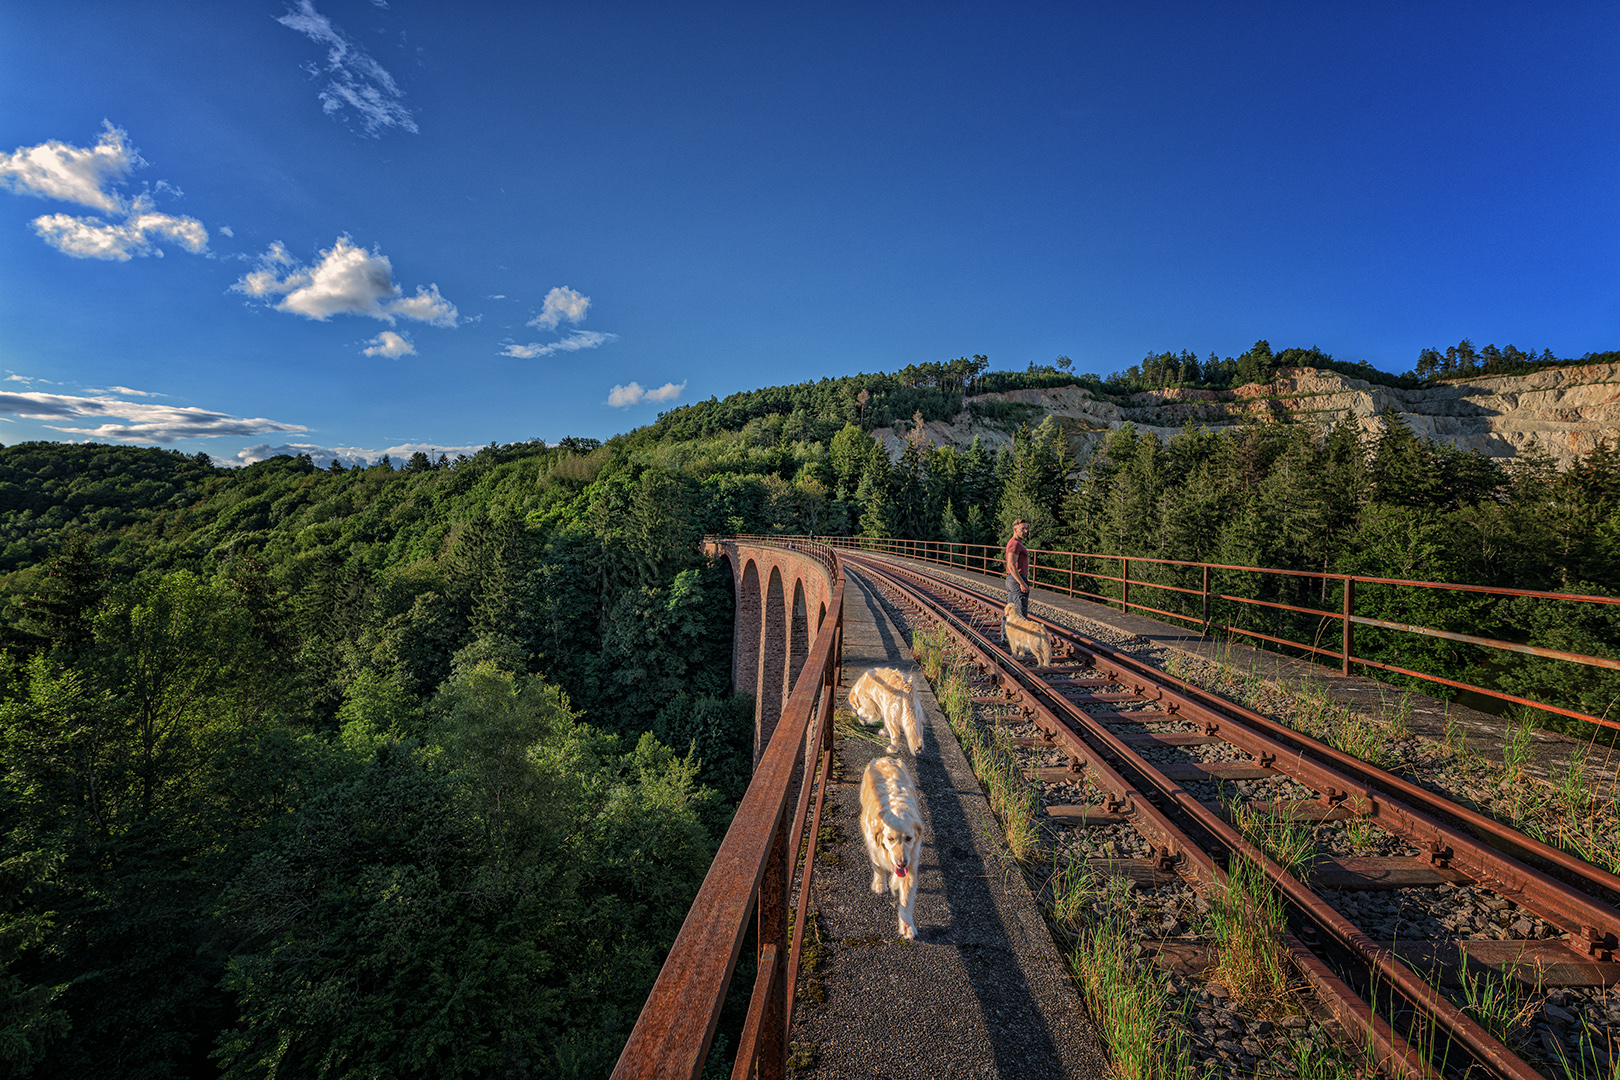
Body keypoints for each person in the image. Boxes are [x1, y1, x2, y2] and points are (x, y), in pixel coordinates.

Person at [1005, 518, 1031, 622]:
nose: (1026, 531)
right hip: (1017, 579)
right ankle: (1020, 637)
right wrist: (1022, 583)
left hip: (1013, 579)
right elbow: (1011, 565)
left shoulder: (1016, 543)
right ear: (1015, 530)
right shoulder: (1015, 544)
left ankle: (1006, 638)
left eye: (1026, 528)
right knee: (1019, 613)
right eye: (1022, 529)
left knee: (1011, 612)